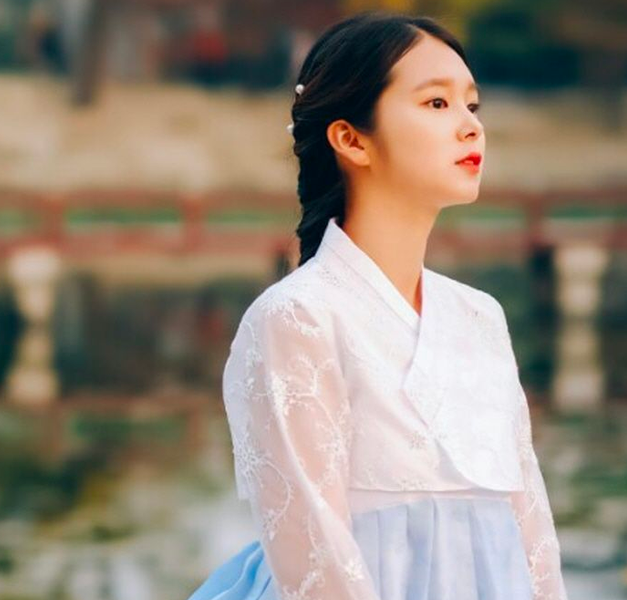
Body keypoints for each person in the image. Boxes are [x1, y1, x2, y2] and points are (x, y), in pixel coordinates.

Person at [186, 10, 568, 600]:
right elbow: (318, 561)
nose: (470, 126)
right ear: (351, 139)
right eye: (437, 104)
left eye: (472, 105)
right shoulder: (298, 319)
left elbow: (533, 536)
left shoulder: (480, 317)